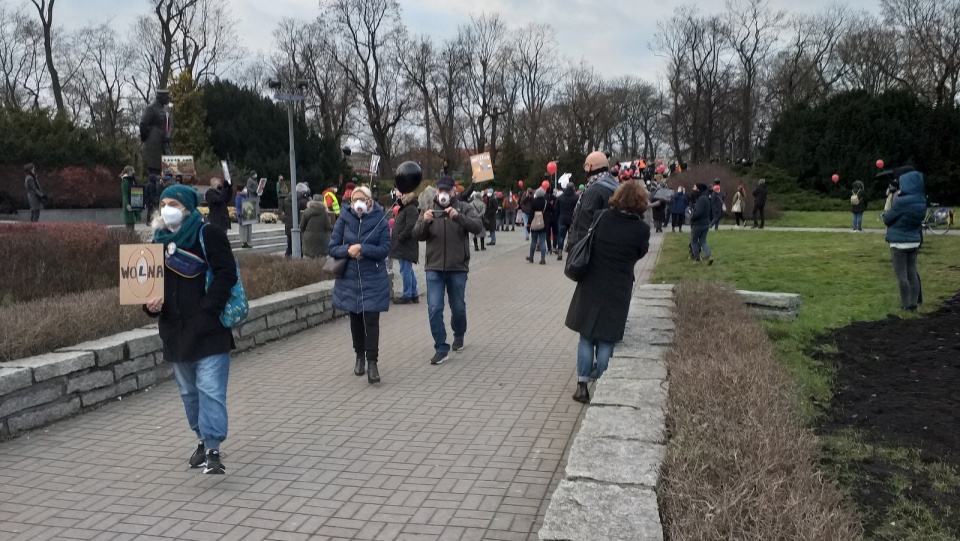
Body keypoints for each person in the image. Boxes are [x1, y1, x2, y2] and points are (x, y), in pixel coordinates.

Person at [144, 184, 238, 475]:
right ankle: (201, 437)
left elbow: (227, 274)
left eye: (173, 203)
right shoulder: (156, 243)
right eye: (163, 204)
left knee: (210, 390)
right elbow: (147, 289)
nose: (166, 209)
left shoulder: (207, 234)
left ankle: (212, 448)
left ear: (187, 207)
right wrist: (150, 306)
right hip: (175, 331)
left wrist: (208, 309)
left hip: (209, 330)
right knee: (189, 394)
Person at [565, 181, 651, 403]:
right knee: (606, 340)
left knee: (586, 337)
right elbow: (640, 253)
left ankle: (582, 385)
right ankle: (602, 388)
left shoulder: (601, 217)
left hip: (592, 280)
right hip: (618, 287)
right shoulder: (642, 230)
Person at [413, 176, 483, 365]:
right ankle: (441, 347)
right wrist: (425, 221)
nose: (443, 194)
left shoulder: (463, 207)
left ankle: (459, 333)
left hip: (457, 266)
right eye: (440, 191)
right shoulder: (429, 209)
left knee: (458, 307)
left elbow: (478, 227)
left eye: (447, 191)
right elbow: (417, 235)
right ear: (436, 192)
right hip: (434, 267)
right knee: (435, 308)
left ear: (454, 192)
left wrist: (457, 217)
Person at [329, 186, 391, 383]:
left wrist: (364, 248)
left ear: (370, 201)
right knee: (355, 320)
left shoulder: (380, 219)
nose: (357, 203)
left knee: (372, 321)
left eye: (361, 199)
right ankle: (359, 356)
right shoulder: (344, 220)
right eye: (354, 199)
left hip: (373, 278)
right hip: (350, 279)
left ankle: (372, 363)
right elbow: (332, 247)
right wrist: (348, 250)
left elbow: (385, 248)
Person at [882, 170, 926, 312]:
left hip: (899, 242)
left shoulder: (901, 202)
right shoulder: (921, 200)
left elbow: (888, 219)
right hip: (914, 241)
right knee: (912, 273)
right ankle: (913, 304)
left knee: (902, 276)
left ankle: (905, 304)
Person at [567, 151, 620, 250]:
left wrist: (579, 250)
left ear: (589, 166)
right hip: (614, 245)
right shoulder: (616, 186)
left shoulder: (593, 190)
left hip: (595, 251)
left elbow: (585, 224)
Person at [391, 191, 420, 304]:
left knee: (405, 270)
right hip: (404, 244)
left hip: (406, 244)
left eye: (402, 195)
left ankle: (407, 294)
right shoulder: (406, 208)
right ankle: (413, 293)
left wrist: (400, 237)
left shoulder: (411, 209)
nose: (400, 197)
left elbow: (410, 226)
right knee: (407, 269)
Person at [301, 195, 333, 259]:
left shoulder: (306, 211)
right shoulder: (324, 213)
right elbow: (328, 227)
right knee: (321, 258)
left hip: (308, 238)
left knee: (308, 258)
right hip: (321, 239)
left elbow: (302, 226)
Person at [689, 183, 714, 265]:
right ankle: (709, 256)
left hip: (698, 224)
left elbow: (699, 212)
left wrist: (692, 218)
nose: (693, 189)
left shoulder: (701, 199)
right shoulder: (706, 198)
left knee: (694, 241)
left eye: (694, 187)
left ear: (699, 189)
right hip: (706, 223)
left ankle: (697, 259)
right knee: (703, 241)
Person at [282, 183, 310, 257]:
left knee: (289, 245)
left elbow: (284, 210)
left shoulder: (286, 199)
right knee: (300, 246)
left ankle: (287, 258)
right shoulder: (303, 201)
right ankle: (298, 261)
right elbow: (307, 212)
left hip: (288, 225)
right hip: (298, 225)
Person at [526, 188, 549, 264]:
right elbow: (552, 210)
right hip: (543, 224)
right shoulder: (546, 202)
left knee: (533, 241)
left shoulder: (534, 202)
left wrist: (528, 224)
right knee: (542, 242)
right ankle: (543, 259)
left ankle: (531, 257)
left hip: (534, 224)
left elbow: (531, 214)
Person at [556, 184, 578, 261]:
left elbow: (556, 209)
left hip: (562, 219)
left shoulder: (560, 198)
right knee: (572, 237)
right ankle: (571, 253)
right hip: (572, 219)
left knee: (561, 236)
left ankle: (559, 251)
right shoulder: (576, 198)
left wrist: (558, 217)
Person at [120, 166, 141, 231]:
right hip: (129, 203)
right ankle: (130, 239)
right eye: (132, 170)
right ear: (129, 172)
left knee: (132, 222)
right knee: (129, 222)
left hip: (133, 201)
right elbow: (125, 194)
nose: (133, 172)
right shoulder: (125, 181)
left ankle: (132, 238)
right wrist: (127, 204)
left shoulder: (131, 180)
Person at [544, 185, 559, 254]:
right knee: (555, 233)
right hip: (554, 217)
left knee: (548, 234)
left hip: (547, 218)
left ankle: (549, 248)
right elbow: (556, 208)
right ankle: (554, 247)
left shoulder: (545, 198)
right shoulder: (555, 198)